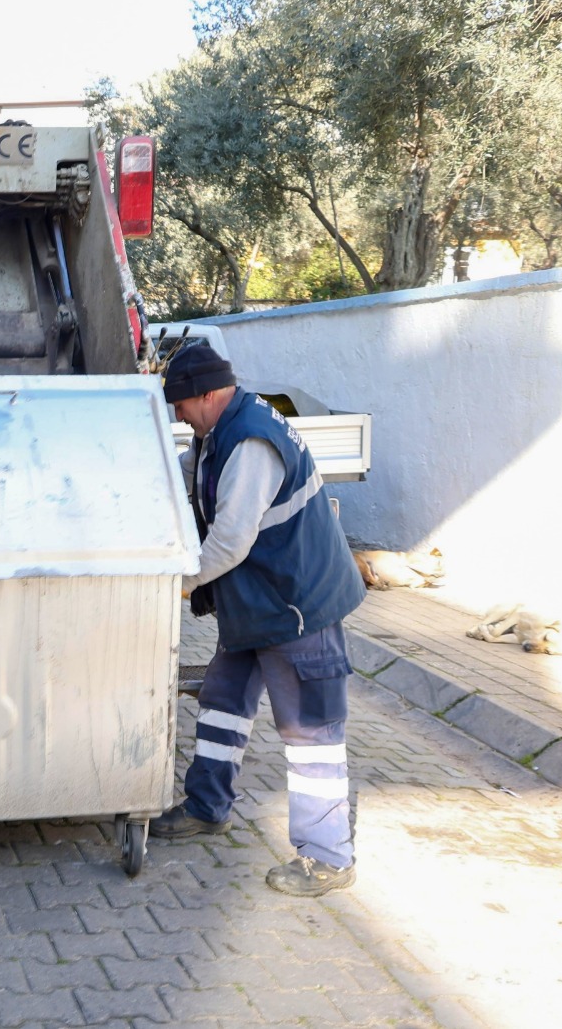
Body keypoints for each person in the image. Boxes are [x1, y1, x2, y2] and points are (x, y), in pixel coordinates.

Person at [150, 344, 366, 897]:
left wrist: (179, 585)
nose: (177, 415)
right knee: (222, 701)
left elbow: (228, 539)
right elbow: (185, 478)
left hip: (298, 607)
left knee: (311, 732)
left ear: (206, 394)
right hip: (256, 603)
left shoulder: (250, 441)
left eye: (180, 405)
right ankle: (207, 806)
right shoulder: (218, 431)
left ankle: (328, 855)